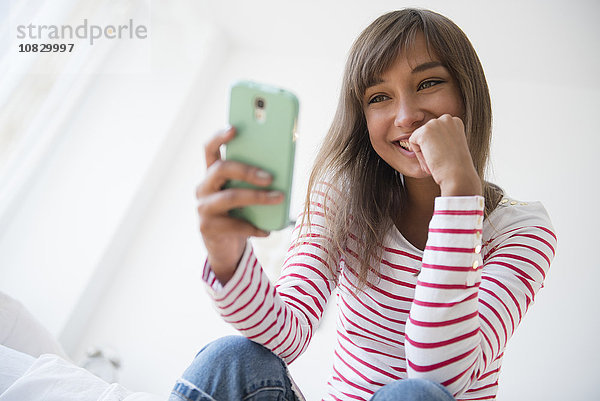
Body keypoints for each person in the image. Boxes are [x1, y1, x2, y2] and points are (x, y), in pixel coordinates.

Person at [172, 8, 557, 401]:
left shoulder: (522, 230)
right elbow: (285, 336)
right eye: (379, 97)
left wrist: (459, 192)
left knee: (414, 397)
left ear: (467, 92)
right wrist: (227, 255)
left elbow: (440, 376)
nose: (406, 116)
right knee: (232, 357)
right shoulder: (342, 198)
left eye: (428, 83)